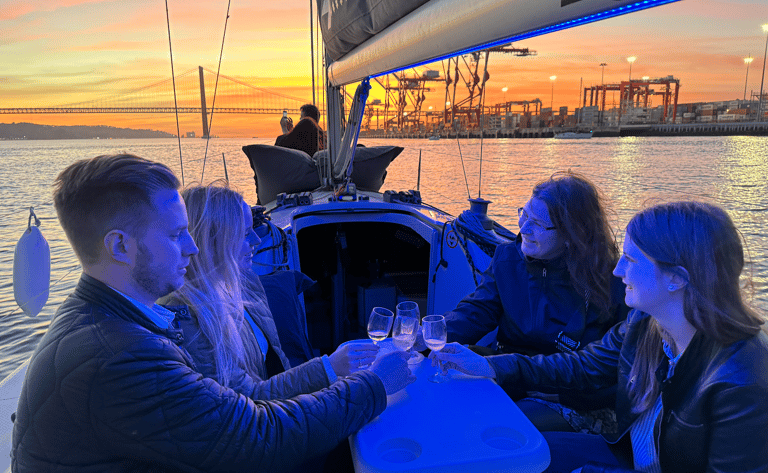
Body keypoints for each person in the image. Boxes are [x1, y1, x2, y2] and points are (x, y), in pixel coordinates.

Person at [11, 153, 414, 473]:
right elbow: (258, 437)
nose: (192, 248)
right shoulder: (119, 355)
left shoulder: (105, 318)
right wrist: (374, 385)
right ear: (119, 247)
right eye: (174, 235)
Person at [433, 201, 768, 473]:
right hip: (624, 454)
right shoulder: (645, 325)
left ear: (676, 279)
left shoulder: (742, 379)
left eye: (631, 259)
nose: (618, 270)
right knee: (509, 456)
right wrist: (489, 365)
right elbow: (580, 366)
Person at [435, 171, 627, 431]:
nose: (523, 229)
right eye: (523, 215)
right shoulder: (507, 258)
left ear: (572, 234)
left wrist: (563, 395)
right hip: (507, 370)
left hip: (569, 392)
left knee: (496, 424)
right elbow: (477, 311)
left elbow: (613, 371)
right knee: (443, 391)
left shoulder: (611, 283)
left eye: (537, 223)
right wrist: (432, 335)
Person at [159, 181, 378, 398]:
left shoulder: (244, 284)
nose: (256, 240)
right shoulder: (188, 322)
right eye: (245, 234)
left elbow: (278, 365)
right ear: (212, 242)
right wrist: (329, 368)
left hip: (282, 407)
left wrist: (331, 377)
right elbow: (247, 399)